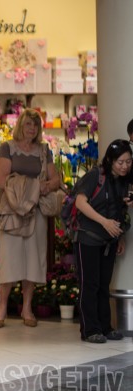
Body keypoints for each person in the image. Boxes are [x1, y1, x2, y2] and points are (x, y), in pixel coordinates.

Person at [0, 109, 61, 329]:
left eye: (36, 125)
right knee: (9, 257)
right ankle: (2, 307)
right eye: (28, 124)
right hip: (11, 210)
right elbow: (2, 181)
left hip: (36, 211)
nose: (32, 128)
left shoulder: (44, 150)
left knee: (33, 259)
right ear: (20, 125)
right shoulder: (7, 147)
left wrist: (46, 186)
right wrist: (31, 187)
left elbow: (56, 179)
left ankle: (27, 307)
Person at [73, 139, 131, 343]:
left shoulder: (123, 181)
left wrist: (120, 237)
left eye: (128, 162)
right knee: (89, 284)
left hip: (109, 242)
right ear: (110, 160)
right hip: (88, 238)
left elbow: (118, 210)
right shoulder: (95, 176)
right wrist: (104, 222)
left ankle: (105, 327)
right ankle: (90, 330)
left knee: (104, 285)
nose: (124, 166)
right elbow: (80, 202)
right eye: (120, 162)